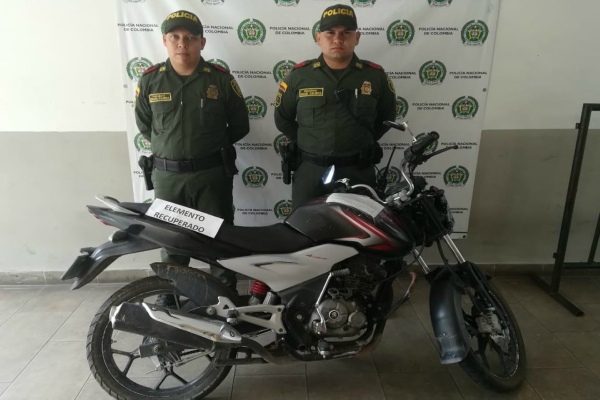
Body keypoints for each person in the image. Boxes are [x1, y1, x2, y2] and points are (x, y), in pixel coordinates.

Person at [135, 10, 249, 289]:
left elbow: (239, 125)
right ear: (165, 41)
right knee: (172, 240)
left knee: (219, 237)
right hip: (168, 177)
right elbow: (145, 125)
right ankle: (171, 292)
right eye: (174, 37)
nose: (182, 44)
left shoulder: (220, 80)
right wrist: (172, 148)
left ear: (202, 42)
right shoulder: (150, 80)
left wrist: (208, 147)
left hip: (211, 175)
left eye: (190, 38)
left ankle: (226, 293)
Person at [274, 4, 397, 208]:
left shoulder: (375, 77)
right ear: (318, 38)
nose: (338, 39)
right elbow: (283, 119)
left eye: (346, 33)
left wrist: (357, 141)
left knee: (358, 226)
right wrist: (312, 142)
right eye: (330, 33)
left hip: (358, 171)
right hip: (311, 171)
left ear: (357, 38)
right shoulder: (299, 77)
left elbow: (386, 118)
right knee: (304, 226)